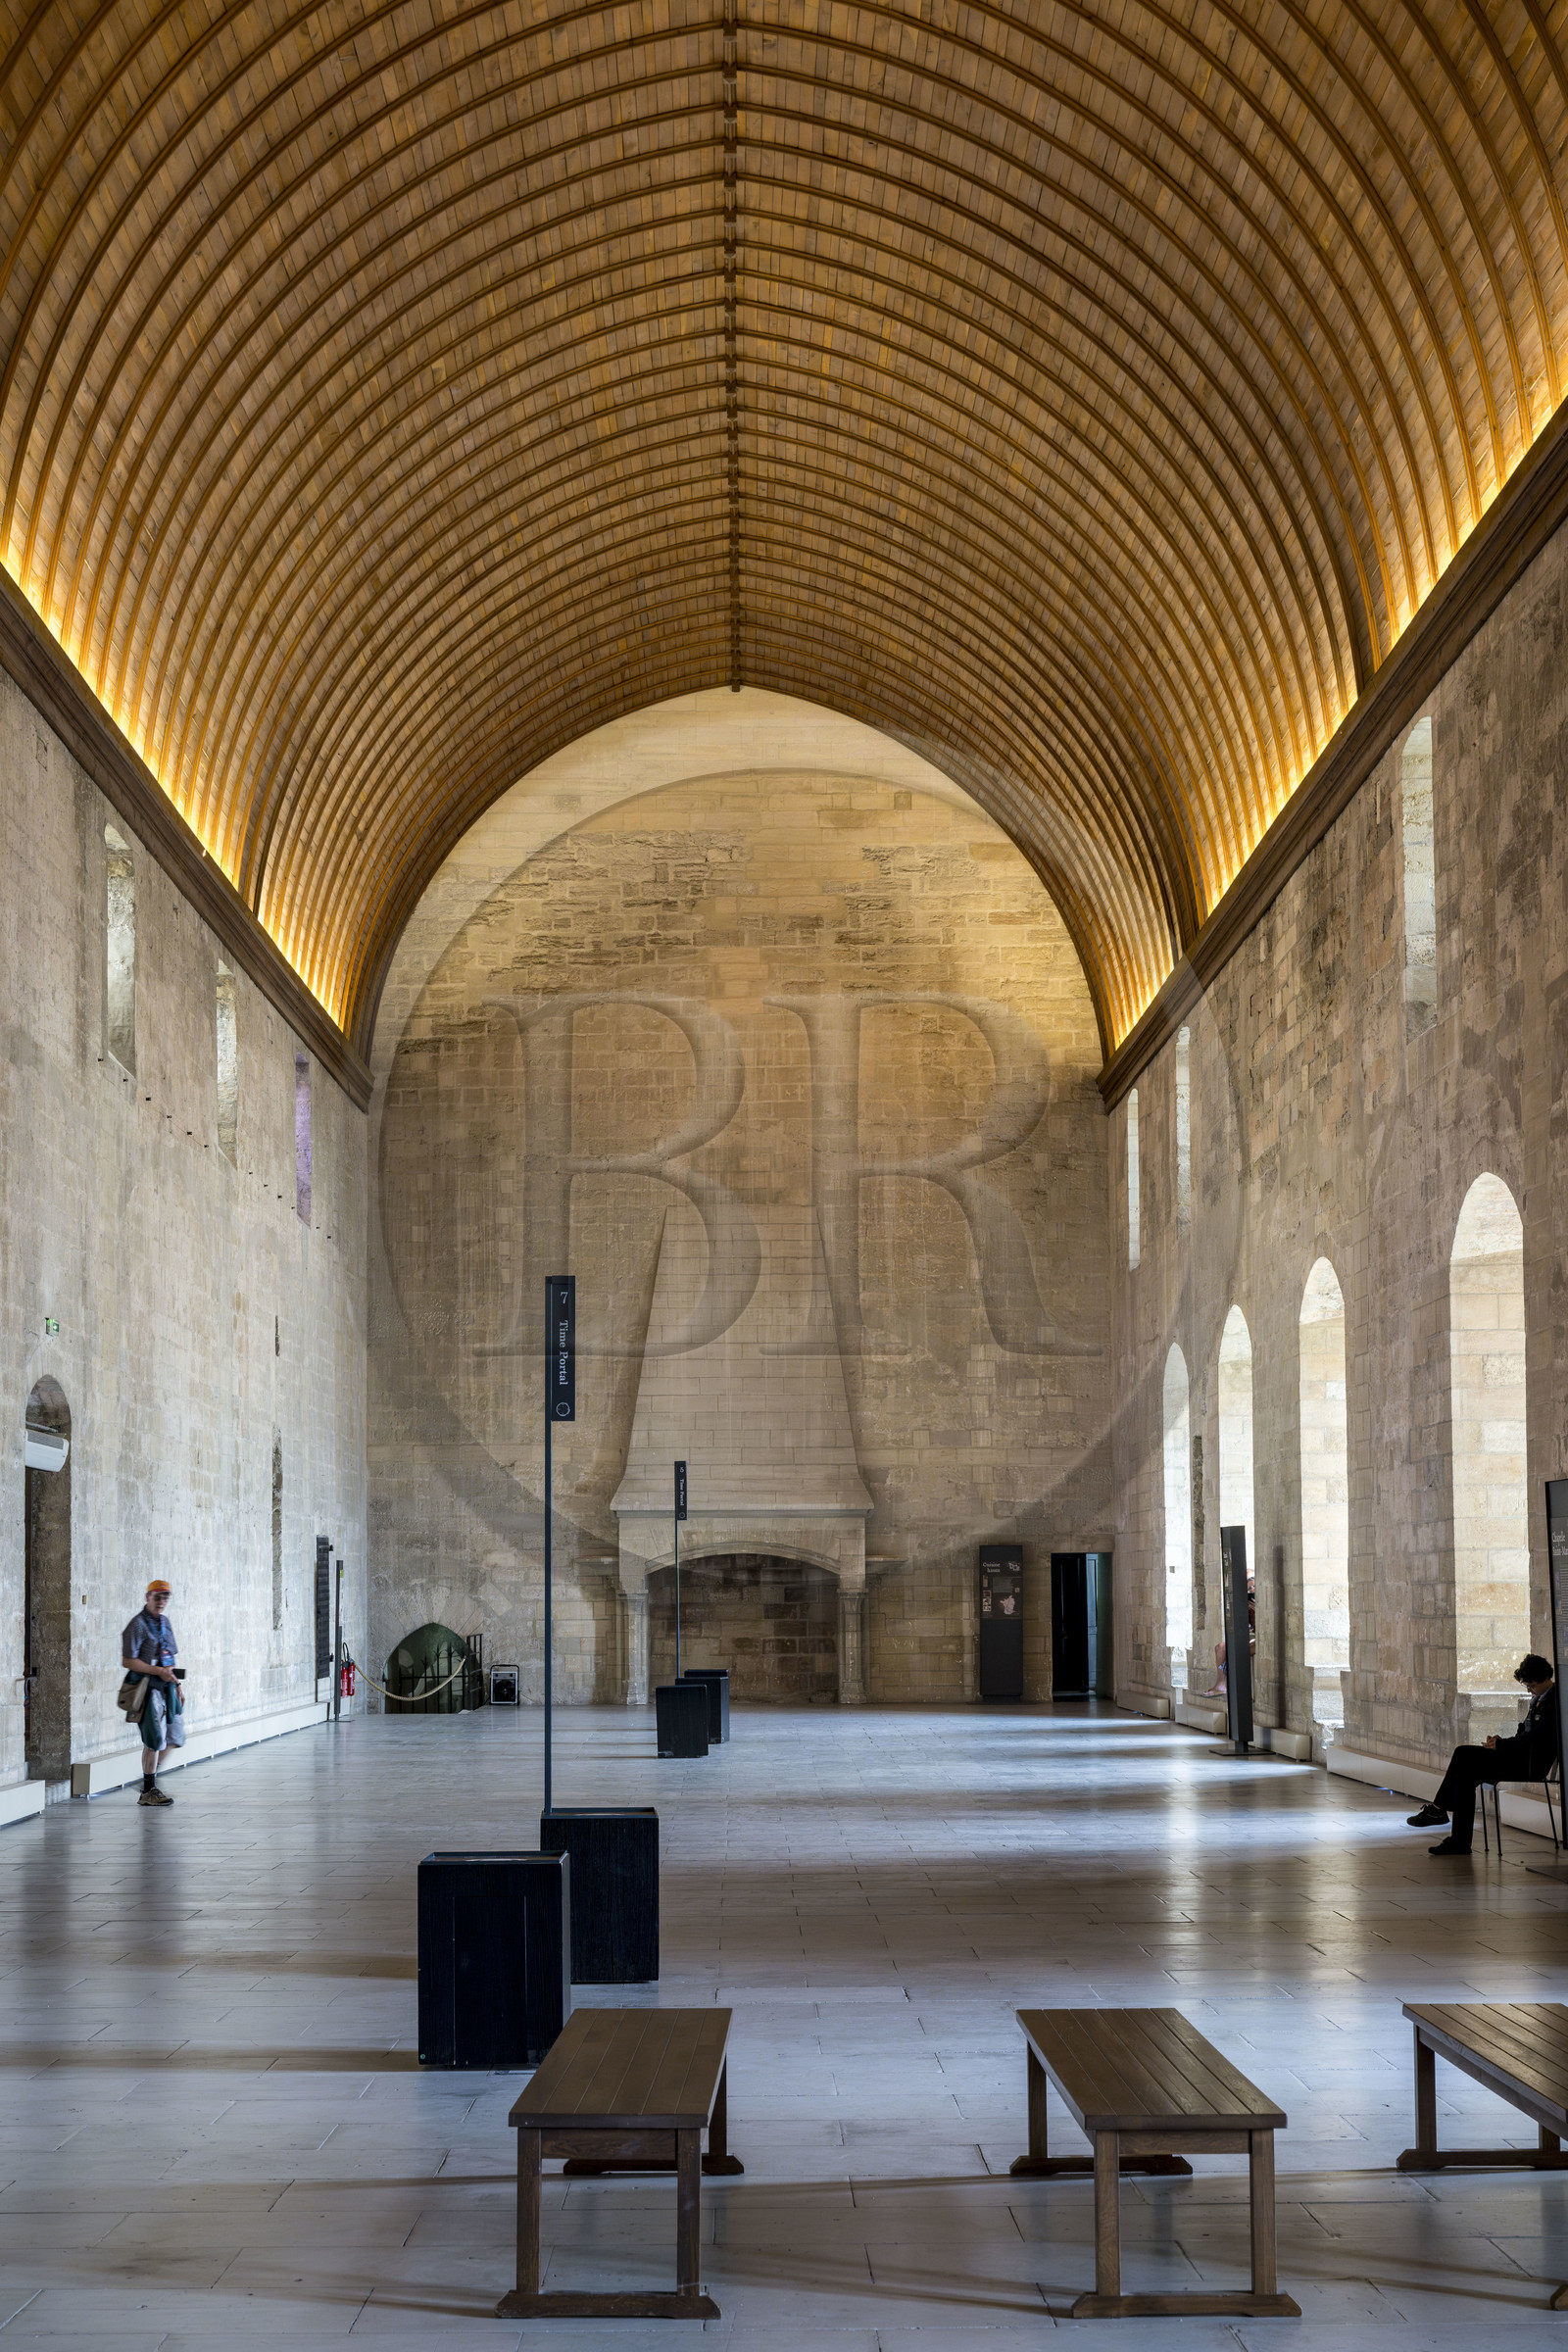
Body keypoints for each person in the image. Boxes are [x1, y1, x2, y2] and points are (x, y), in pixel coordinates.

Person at [1406, 1653, 1558, 1854]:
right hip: (1519, 1757)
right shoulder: (1539, 1699)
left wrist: (1502, 1745)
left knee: (1463, 1755)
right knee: (1465, 1773)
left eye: (1530, 1685)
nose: (1529, 1690)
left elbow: (1536, 1738)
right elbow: (1524, 1735)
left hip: (1530, 1764)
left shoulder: (1554, 1702)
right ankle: (1456, 1838)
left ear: (1544, 1679)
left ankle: (1439, 1812)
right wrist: (1499, 1743)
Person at [122, 1578, 186, 1806]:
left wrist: (177, 1684)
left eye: (165, 1598)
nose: (161, 1602)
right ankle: (148, 1791)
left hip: (167, 1684)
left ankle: (149, 1779)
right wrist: (157, 1671)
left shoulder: (165, 1623)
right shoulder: (137, 1625)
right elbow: (128, 1660)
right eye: (157, 1597)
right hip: (147, 1687)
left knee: (176, 1736)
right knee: (154, 1739)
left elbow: (169, 1657)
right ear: (148, 1597)